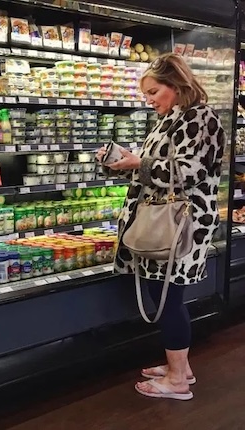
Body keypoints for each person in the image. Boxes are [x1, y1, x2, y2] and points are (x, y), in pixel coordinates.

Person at [96, 53, 226, 401]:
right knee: (164, 295)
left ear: (176, 85)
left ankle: (177, 382)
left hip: (183, 226)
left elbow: (188, 173)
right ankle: (179, 367)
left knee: (168, 299)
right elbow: (155, 168)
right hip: (165, 224)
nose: (149, 100)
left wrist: (140, 162)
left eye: (154, 92)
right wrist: (125, 160)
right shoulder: (172, 118)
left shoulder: (202, 118)